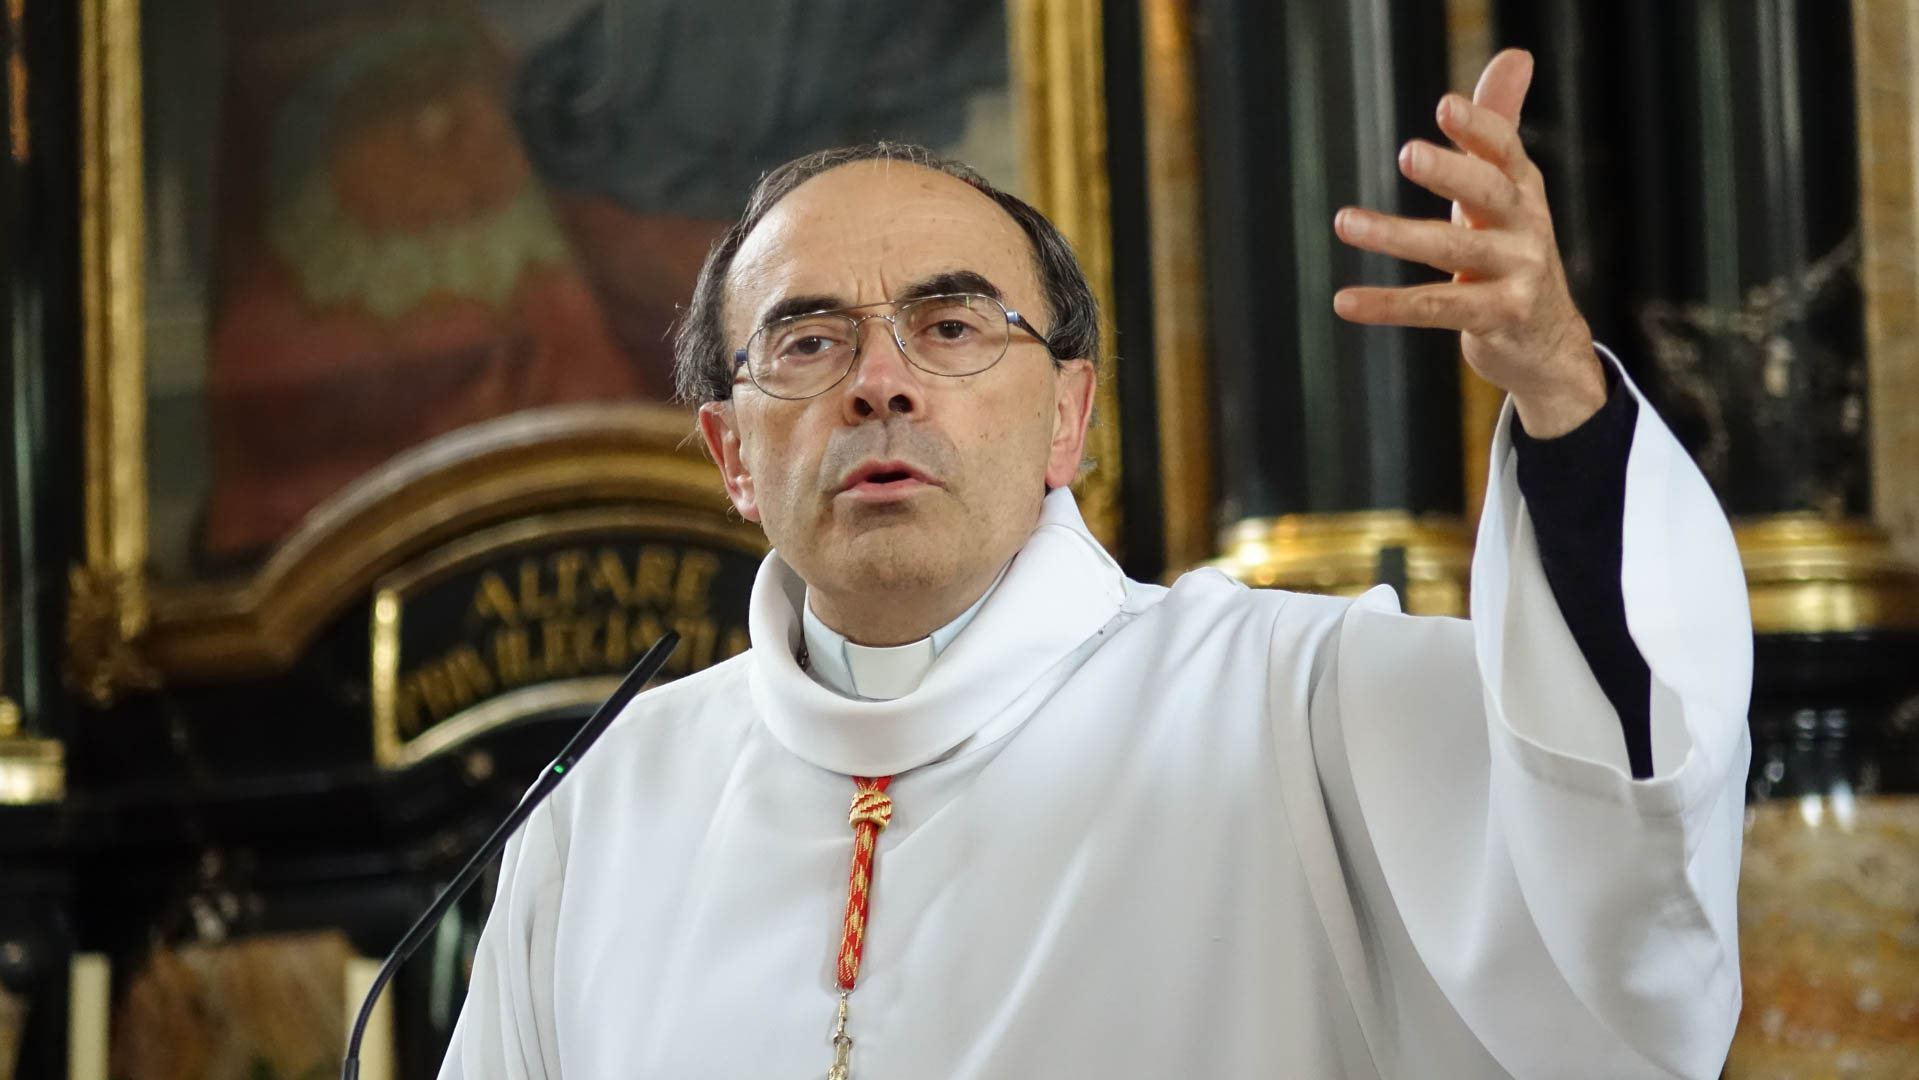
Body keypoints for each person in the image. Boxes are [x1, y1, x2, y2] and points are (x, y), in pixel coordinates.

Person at [439, 50, 1750, 1078]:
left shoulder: (1296, 707)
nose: (881, 385)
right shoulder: (605, 808)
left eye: (951, 326)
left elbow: (1616, 869)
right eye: (808, 342)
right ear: (730, 452)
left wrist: (1565, 401)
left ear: (1069, 415)